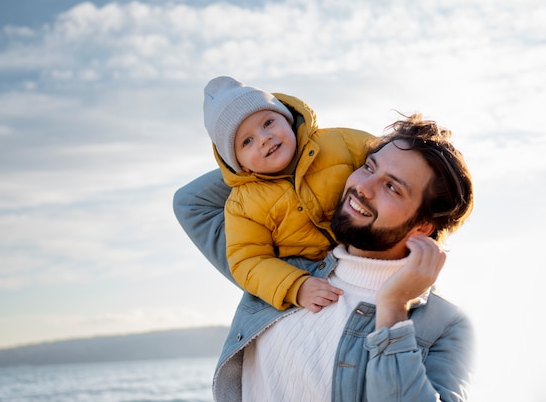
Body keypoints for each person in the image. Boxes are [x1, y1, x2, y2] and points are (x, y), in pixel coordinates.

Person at [173, 112, 475, 401]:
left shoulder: (445, 325)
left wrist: (393, 309)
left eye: (392, 187)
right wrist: (293, 152)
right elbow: (191, 203)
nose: (363, 187)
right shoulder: (278, 269)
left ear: (422, 227)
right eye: (368, 167)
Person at [201, 76, 373, 311]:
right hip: (315, 274)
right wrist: (295, 286)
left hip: (371, 246)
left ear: (287, 118)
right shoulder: (243, 205)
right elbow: (248, 260)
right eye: (247, 141)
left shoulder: (340, 142)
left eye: (268, 122)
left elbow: (393, 160)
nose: (264, 138)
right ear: (240, 164)